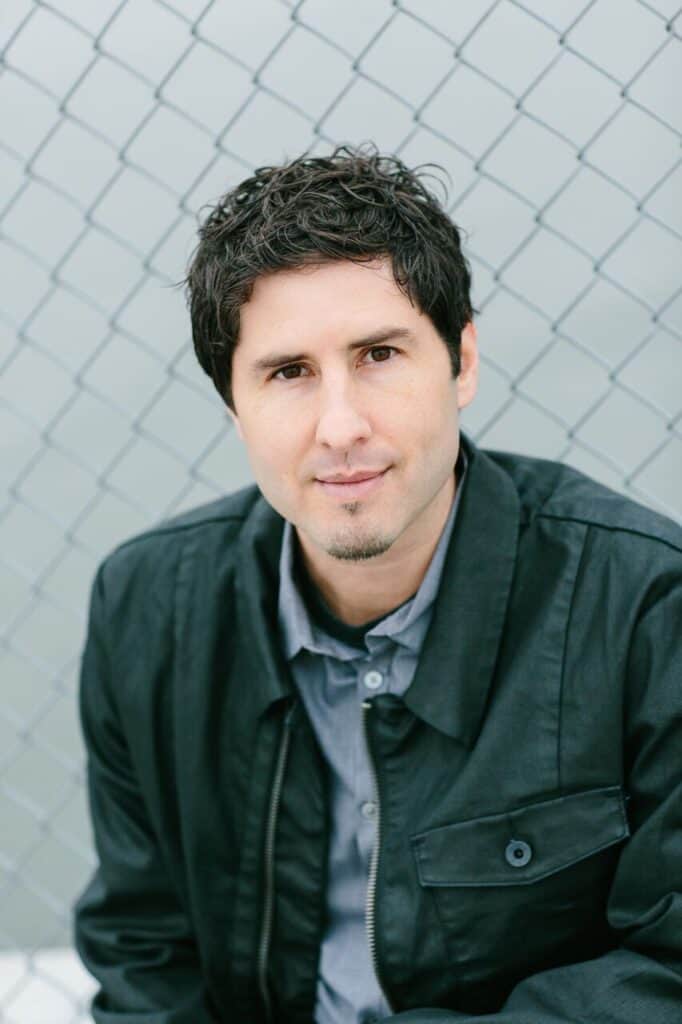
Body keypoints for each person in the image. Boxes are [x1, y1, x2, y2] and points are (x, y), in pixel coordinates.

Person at [73, 145, 682, 1024]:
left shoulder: (646, 607)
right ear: (232, 404)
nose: (342, 426)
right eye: (288, 373)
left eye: (379, 354)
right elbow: (143, 951)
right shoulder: (147, 610)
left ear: (461, 361)